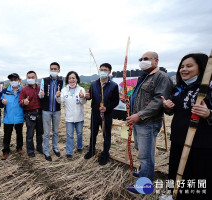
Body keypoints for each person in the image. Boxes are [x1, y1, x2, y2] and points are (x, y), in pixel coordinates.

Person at [162, 53, 212, 199]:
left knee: (198, 179)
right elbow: (173, 111)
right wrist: (168, 107)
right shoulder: (179, 89)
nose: (184, 69)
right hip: (178, 140)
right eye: (182, 66)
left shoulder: (208, 88)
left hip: (201, 145)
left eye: (189, 66)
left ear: (201, 67)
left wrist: (208, 113)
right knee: (177, 174)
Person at [125, 51, 173, 193]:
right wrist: (128, 99)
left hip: (148, 122)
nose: (142, 61)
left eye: (146, 59)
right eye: (141, 59)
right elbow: (141, 97)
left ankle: (144, 186)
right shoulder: (144, 77)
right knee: (141, 151)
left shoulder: (161, 77)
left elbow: (158, 100)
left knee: (146, 156)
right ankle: (144, 173)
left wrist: (139, 115)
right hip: (138, 122)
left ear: (156, 61)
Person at [84, 63, 119, 165]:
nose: (103, 71)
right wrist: (87, 96)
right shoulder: (94, 84)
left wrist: (107, 108)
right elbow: (90, 97)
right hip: (95, 113)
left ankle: (105, 154)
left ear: (109, 72)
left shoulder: (113, 85)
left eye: (105, 70)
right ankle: (91, 150)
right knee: (93, 133)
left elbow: (116, 101)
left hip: (107, 115)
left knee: (106, 134)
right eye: (101, 69)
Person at [56, 71, 86, 157]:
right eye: (69, 78)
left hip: (79, 116)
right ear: (67, 80)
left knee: (79, 133)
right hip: (69, 117)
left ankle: (79, 146)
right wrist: (57, 96)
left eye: (73, 78)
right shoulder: (64, 90)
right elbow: (60, 101)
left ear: (77, 79)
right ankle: (69, 152)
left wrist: (82, 97)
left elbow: (83, 102)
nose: (71, 80)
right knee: (69, 135)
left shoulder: (81, 89)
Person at [39, 62, 64, 161]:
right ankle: (46, 151)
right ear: (50, 70)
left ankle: (55, 148)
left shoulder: (61, 82)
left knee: (56, 131)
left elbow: (62, 97)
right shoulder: (44, 80)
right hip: (46, 110)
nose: (53, 71)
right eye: (52, 69)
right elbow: (40, 95)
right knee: (46, 133)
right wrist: (41, 94)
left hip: (57, 110)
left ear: (59, 70)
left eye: (55, 69)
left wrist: (59, 95)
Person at [19, 71, 43, 158]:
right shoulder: (24, 90)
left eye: (33, 77)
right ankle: (30, 151)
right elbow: (20, 102)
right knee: (30, 134)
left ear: (36, 78)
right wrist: (24, 102)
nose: (31, 79)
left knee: (40, 133)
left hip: (39, 113)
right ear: (26, 78)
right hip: (29, 114)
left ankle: (39, 148)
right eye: (29, 77)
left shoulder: (40, 89)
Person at [1, 73, 24, 160]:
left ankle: (19, 148)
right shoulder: (5, 91)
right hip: (8, 117)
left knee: (19, 134)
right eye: (12, 80)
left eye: (15, 79)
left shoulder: (23, 91)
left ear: (19, 80)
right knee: (7, 135)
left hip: (19, 116)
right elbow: (0, 103)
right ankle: (6, 151)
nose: (13, 81)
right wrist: (2, 102)